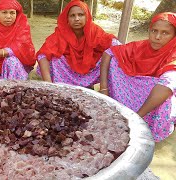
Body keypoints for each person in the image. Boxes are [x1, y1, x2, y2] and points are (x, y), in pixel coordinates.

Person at [100, 12, 176, 142]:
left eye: (165, 33)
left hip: (151, 106)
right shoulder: (141, 46)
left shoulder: (173, 54)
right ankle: (121, 108)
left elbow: (166, 85)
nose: (157, 37)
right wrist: (103, 89)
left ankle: (143, 122)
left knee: (169, 84)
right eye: (154, 31)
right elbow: (109, 53)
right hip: (135, 94)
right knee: (115, 60)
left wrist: (135, 118)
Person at [36, 0, 119, 87]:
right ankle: (57, 86)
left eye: (81, 15)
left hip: (90, 72)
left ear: (87, 16)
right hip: (66, 73)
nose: (76, 19)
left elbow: (115, 44)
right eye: (72, 15)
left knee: (112, 54)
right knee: (52, 58)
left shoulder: (94, 31)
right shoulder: (61, 32)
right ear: (67, 18)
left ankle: (106, 87)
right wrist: (49, 85)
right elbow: (43, 54)